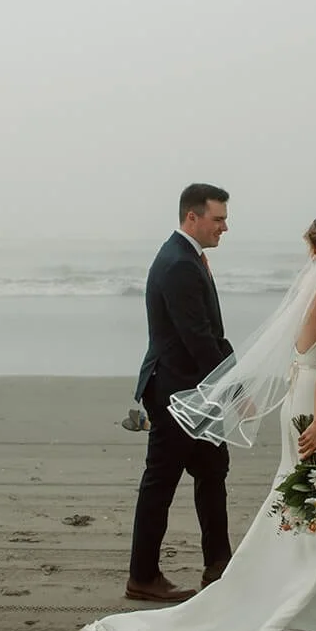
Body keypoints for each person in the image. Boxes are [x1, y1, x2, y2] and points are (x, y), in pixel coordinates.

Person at [83, 212, 316, 631]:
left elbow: (305, 354)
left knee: (311, 504)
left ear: (313, 246)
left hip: (305, 400)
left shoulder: (308, 286)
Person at [123, 183, 235, 602]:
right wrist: (233, 387)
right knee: (162, 481)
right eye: (218, 219)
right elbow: (199, 339)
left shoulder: (187, 257)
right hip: (175, 392)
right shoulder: (179, 264)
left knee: (212, 471)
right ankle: (143, 576)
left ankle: (219, 566)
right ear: (193, 216)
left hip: (190, 389)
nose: (224, 227)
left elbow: (210, 335)